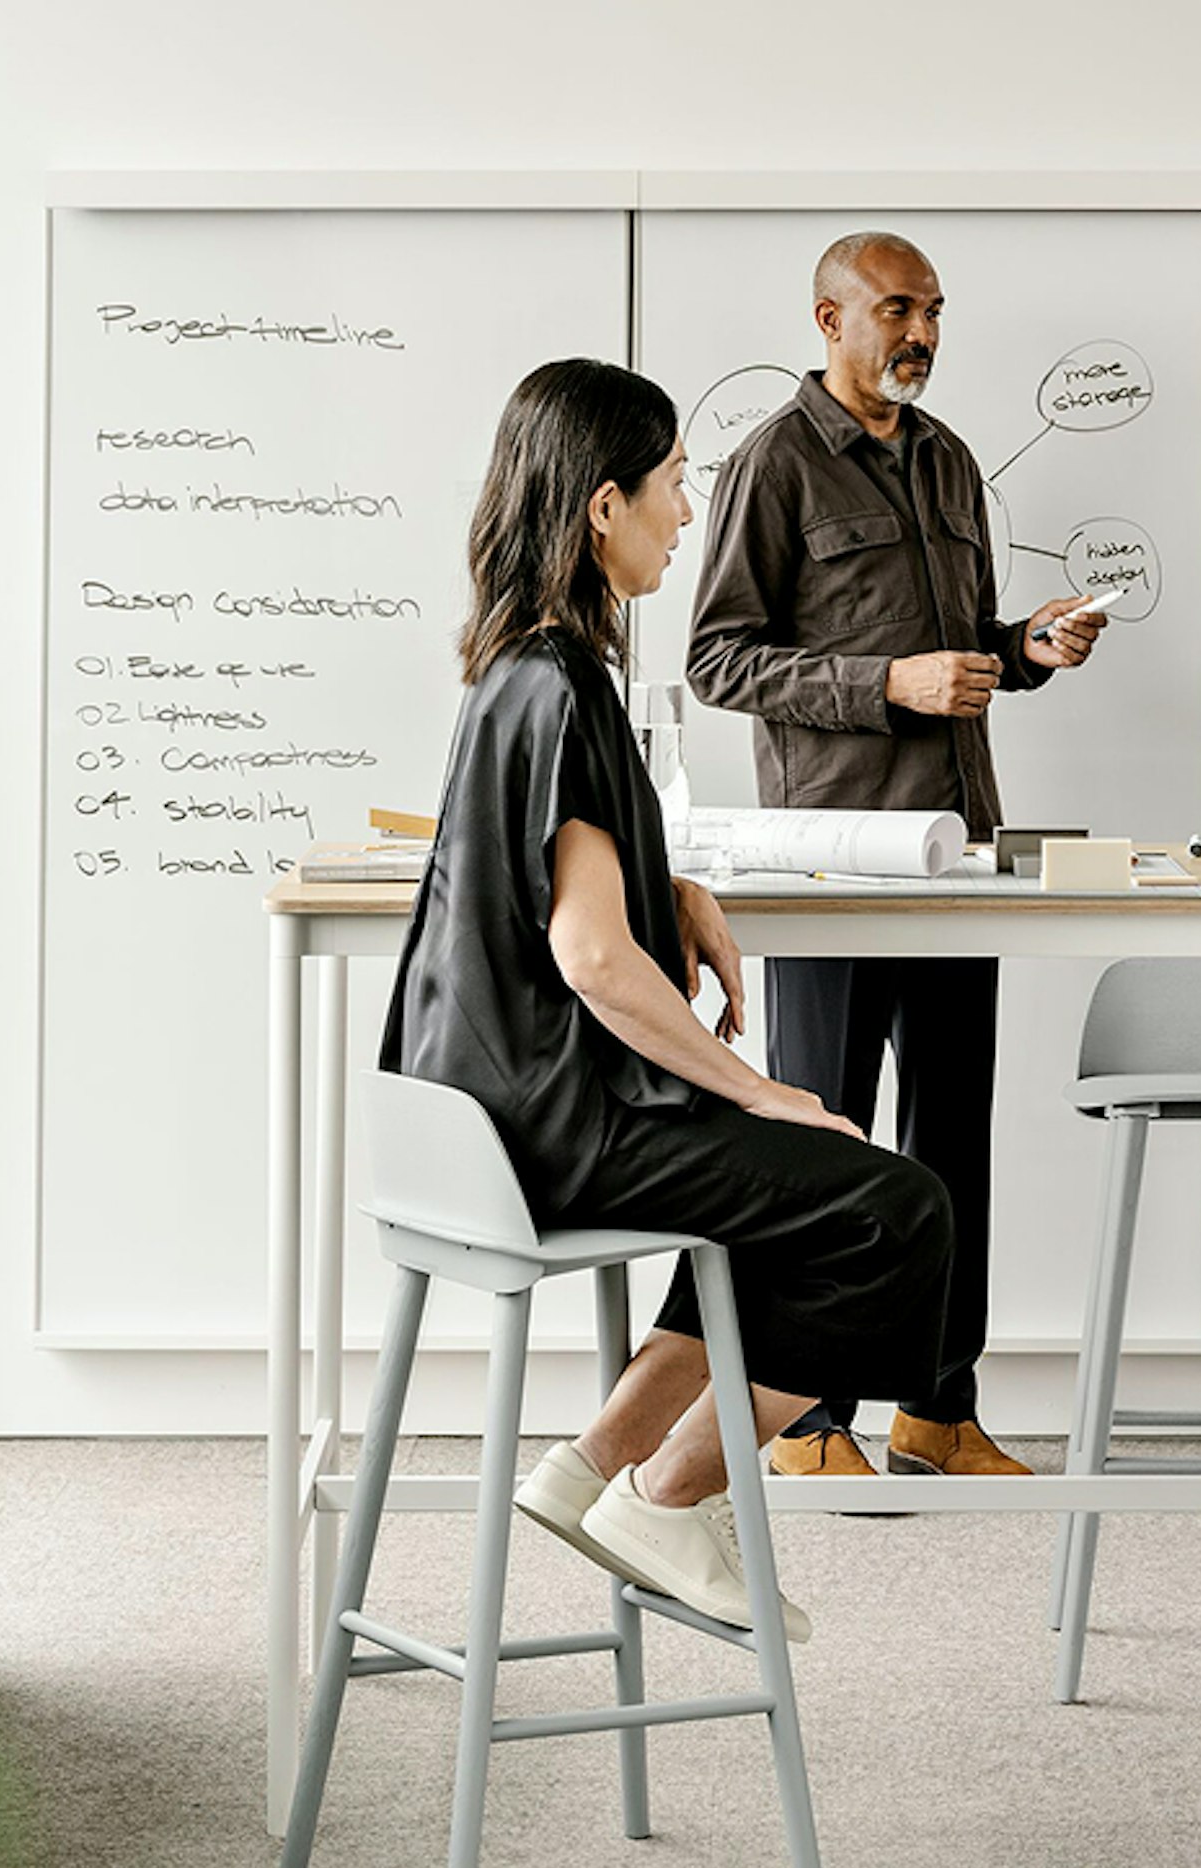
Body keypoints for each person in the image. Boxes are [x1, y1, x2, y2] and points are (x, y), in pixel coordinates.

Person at [381, 358, 953, 1636]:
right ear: (603, 507)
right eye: (674, 487)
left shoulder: (512, 669)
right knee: (892, 1208)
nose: (686, 515)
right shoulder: (570, 683)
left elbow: (563, 888)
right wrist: (760, 1089)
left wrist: (667, 880)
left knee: (785, 1201)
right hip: (557, 1129)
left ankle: (586, 1469)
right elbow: (588, 960)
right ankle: (671, 1496)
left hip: (478, 1123)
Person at [686, 231, 1108, 1484]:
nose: (919, 332)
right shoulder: (772, 465)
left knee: (946, 1141)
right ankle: (807, 1423)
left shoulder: (949, 460)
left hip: (955, 854)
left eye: (931, 311)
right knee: (825, 1139)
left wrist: (1020, 648)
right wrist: (889, 683)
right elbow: (719, 661)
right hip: (831, 865)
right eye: (894, 309)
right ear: (828, 319)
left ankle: (936, 1406)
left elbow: (952, 650)